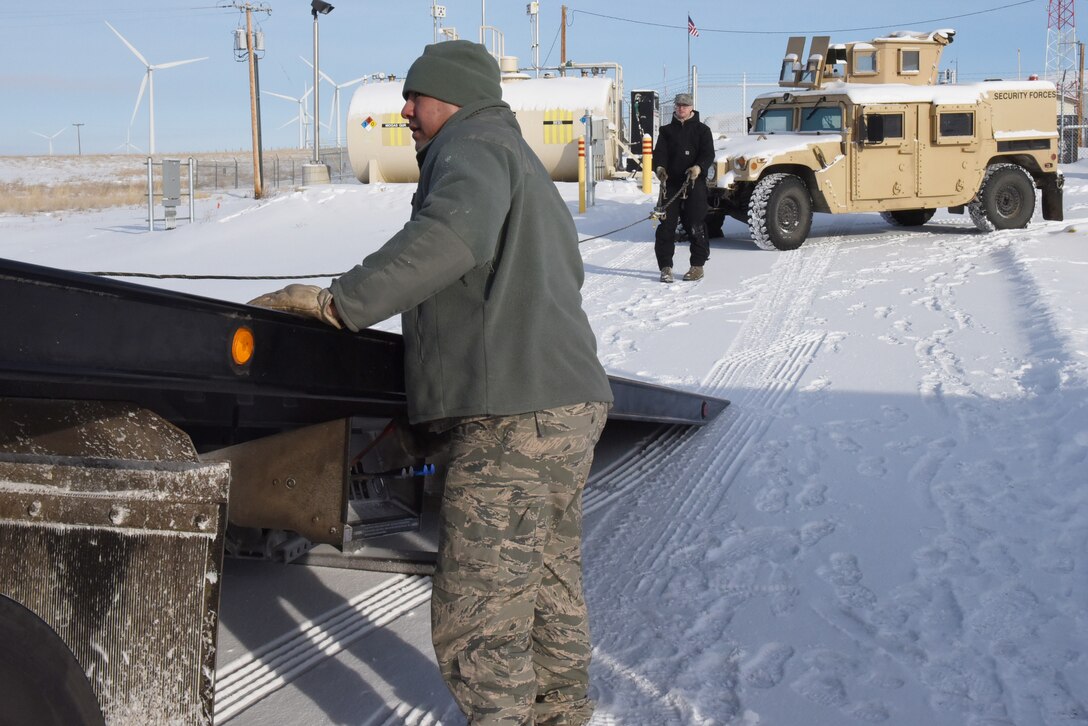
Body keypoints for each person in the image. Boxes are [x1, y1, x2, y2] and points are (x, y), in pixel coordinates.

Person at [248, 39, 613, 726]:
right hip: (567, 403)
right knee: (545, 583)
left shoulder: (471, 146)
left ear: (455, 97)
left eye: (416, 97)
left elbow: (450, 237)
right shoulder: (517, 159)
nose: (405, 110)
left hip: (513, 412)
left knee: (480, 612)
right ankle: (562, 714)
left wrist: (341, 303)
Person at [652, 92, 715, 283]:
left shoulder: (703, 130)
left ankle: (697, 266)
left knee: (695, 225)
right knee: (666, 227)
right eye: (678, 105)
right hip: (670, 185)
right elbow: (659, 153)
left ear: (691, 108)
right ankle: (665, 267)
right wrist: (660, 168)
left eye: (685, 106)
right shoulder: (666, 131)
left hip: (694, 184)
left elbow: (708, 154)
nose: (681, 108)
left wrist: (698, 168)